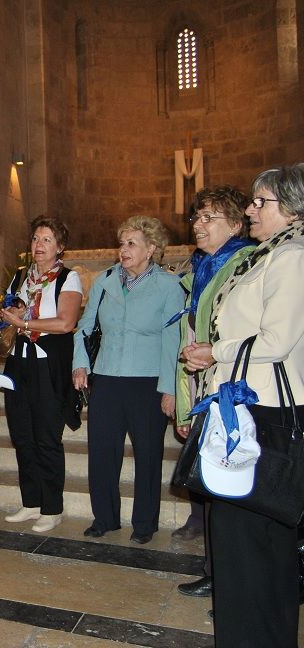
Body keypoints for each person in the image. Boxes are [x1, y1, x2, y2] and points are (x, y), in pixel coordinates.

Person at [181, 164, 304, 648]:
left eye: (261, 202)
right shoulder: (264, 257)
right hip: (240, 405)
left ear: (292, 207)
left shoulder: (293, 257)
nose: (251, 209)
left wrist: (216, 352)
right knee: (239, 541)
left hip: (268, 412)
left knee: (255, 542)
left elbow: (276, 340)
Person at [73, 216, 184, 544]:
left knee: (148, 455)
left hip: (147, 382)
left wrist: (169, 389)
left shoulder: (168, 286)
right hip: (106, 379)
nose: (123, 249)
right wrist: (81, 366)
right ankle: (104, 518)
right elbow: (85, 327)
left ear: (151, 249)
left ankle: (145, 524)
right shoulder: (105, 281)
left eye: (131, 243)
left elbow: (173, 340)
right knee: (102, 453)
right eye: (121, 243)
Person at [170, 187, 255, 599]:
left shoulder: (245, 266)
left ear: (236, 225)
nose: (199, 226)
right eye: (197, 218)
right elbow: (190, 337)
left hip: (234, 391)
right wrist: (185, 405)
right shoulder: (204, 266)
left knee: (231, 493)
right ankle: (216, 571)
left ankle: (235, 582)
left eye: (210, 219)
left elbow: (240, 333)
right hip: (206, 387)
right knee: (212, 490)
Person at [0, 216, 82, 534]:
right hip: (19, 362)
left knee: (47, 437)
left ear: (60, 247)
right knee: (22, 435)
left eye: (47, 239)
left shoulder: (68, 278)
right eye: (35, 238)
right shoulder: (21, 276)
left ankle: (52, 507)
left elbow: (65, 323)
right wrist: (11, 315)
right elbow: (9, 311)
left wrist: (25, 324)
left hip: (48, 364)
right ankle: (31, 501)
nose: (39, 245)